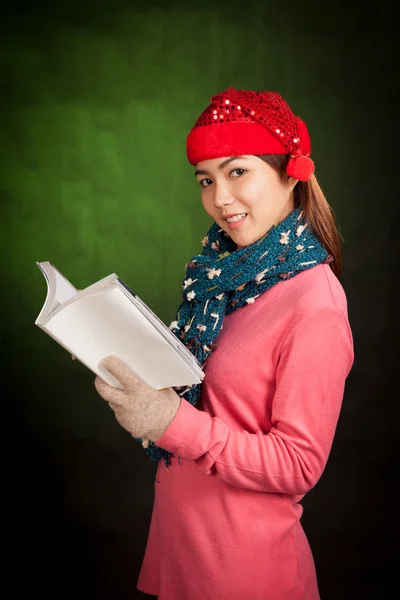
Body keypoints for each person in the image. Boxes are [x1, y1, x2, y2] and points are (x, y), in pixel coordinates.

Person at [94, 87, 354, 600]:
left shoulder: (314, 304)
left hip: (244, 575)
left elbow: (299, 464)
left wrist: (170, 421)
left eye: (238, 172)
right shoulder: (224, 280)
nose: (220, 198)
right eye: (206, 180)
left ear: (289, 171)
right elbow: (210, 401)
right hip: (180, 557)